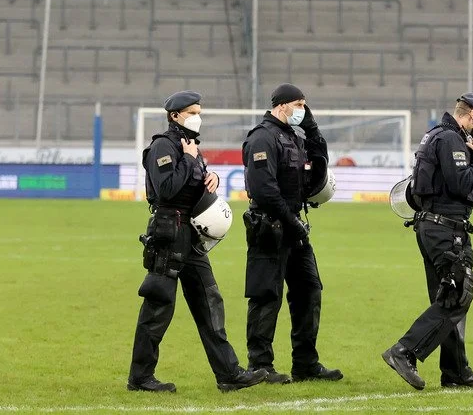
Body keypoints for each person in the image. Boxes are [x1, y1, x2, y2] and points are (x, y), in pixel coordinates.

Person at [128, 91, 268, 393]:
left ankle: (229, 374)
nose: (197, 116)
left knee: (209, 303)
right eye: (192, 111)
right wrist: (191, 162)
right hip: (168, 234)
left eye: (199, 111)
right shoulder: (163, 146)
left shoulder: (190, 147)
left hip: (190, 237)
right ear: (174, 116)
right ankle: (140, 378)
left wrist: (211, 176)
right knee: (158, 307)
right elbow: (166, 189)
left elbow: (191, 182)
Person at [381, 93, 473, 390]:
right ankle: (404, 351)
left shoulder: (434, 135)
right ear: (470, 114)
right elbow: (462, 184)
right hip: (446, 230)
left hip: (430, 226)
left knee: (447, 298)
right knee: (456, 297)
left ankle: (455, 371)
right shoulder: (452, 140)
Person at [241, 83, 343, 384]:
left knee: (309, 291)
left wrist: (313, 132)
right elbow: (264, 188)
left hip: (293, 225)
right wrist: (290, 220)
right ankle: (260, 365)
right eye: (300, 105)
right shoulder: (262, 137)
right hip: (269, 226)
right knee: (265, 295)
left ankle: (306, 364)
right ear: (282, 105)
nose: (303, 110)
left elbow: (318, 171)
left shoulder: (293, 137)